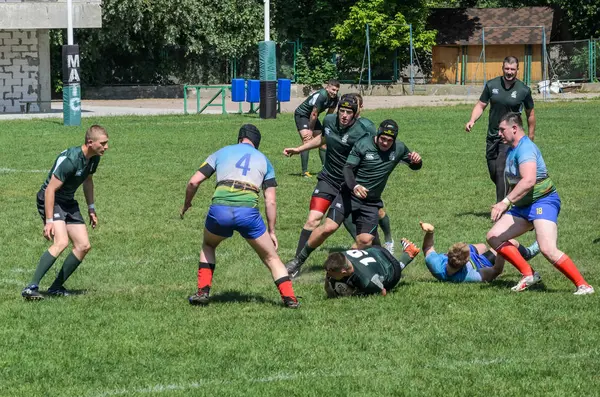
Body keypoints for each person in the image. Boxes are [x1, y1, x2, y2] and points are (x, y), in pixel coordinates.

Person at [180, 124, 300, 308]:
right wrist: (272, 231)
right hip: (248, 214)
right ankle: (290, 298)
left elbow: (193, 181)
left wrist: (187, 203)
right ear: (256, 144)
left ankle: (203, 292)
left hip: (220, 211)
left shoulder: (222, 152)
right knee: (271, 257)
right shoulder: (265, 161)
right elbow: (271, 201)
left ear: (239, 139)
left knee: (209, 244)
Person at [286, 119, 422, 277]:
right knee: (328, 228)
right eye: (383, 139)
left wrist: (417, 161)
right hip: (348, 195)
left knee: (365, 241)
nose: (385, 143)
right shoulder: (363, 145)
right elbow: (348, 169)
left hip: (371, 202)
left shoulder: (399, 148)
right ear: (377, 134)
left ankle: (340, 271)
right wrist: (355, 186)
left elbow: (414, 165)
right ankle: (298, 261)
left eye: (389, 140)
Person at [486, 113, 594, 295]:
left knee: (547, 249)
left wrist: (504, 202)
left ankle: (584, 285)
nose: (499, 133)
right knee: (494, 236)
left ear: (514, 128)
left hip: (543, 201)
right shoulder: (512, 148)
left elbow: (528, 181)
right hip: (523, 207)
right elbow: (515, 182)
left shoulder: (525, 148)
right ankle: (529, 274)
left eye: (502, 129)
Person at [21, 125, 109, 300]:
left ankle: (55, 288)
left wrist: (91, 208)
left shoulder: (94, 158)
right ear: (90, 143)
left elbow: (88, 181)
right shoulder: (71, 159)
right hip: (51, 199)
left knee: (83, 246)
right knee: (61, 242)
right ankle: (31, 288)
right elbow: (49, 191)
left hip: (67, 201)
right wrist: (49, 220)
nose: (106, 147)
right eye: (103, 143)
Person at [284, 94, 371, 259]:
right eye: (342, 111)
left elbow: (375, 149)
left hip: (349, 184)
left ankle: (374, 255)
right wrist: (299, 149)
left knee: (361, 231)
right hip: (328, 179)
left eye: (348, 112)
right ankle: (296, 262)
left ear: (355, 113)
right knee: (313, 220)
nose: (344, 115)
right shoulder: (330, 120)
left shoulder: (363, 129)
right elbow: (323, 138)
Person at [465, 56, 536, 202]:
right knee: (494, 173)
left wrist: (531, 135)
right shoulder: (492, 85)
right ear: (502, 68)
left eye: (512, 69)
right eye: (507, 69)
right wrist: (472, 120)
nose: (509, 72)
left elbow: (530, 113)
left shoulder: (523, 90)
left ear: (517, 70)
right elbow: (480, 105)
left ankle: (500, 209)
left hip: (510, 137)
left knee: (500, 170)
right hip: (492, 135)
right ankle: (514, 193)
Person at [349, 93, 395, 253]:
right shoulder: (338, 123)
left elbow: (380, 147)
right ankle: (369, 246)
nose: (350, 109)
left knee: (377, 210)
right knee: (349, 213)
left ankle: (387, 240)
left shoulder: (367, 126)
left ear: (360, 107)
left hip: (364, 173)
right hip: (346, 171)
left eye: (355, 105)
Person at [419, 222, 539, 283]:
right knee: (512, 243)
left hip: (464, 260)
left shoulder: (436, 265)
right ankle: (527, 253)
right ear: (467, 259)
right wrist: (502, 250)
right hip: (480, 263)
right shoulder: (470, 276)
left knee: (482, 246)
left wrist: (430, 232)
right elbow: (496, 271)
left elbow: (427, 247)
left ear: (448, 254)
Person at [324, 239, 421, 298]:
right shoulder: (342, 257)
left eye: (330, 274)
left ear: (343, 271)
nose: (328, 276)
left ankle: (408, 254)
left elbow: (383, 292)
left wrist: (356, 294)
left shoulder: (367, 281)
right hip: (376, 250)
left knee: (367, 290)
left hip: (392, 267)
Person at [293, 79, 340, 177]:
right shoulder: (321, 96)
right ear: (327, 87)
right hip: (302, 115)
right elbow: (314, 114)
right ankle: (304, 172)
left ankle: (325, 169)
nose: (334, 92)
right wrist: (310, 130)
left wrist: (326, 128)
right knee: (307, 140)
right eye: (333, 90)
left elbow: (329, 115)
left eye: (336, 91)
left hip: (313, 116)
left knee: (323, 142)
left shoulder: (335, 99)